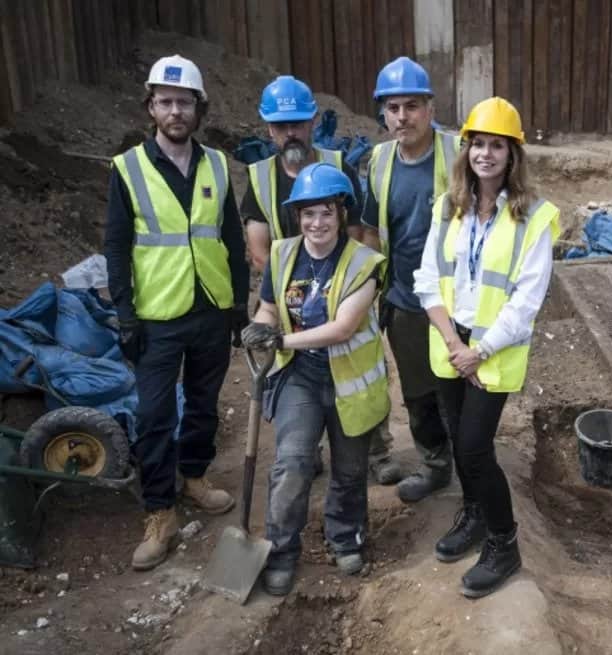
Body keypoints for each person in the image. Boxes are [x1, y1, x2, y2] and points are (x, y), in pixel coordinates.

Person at [104, 55, 250, 571]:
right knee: (154, 415)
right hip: (157, 314)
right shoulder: (128, 169)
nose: (174, 111)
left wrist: (237, 301)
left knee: (205, 402)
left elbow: (230, 236)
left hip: (210, 307)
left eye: (183, 102)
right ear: (151, 107)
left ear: (197, 108)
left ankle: (194, 475)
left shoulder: (215, 165)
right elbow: (116, 247)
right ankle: (160, 510)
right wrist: (125, 314)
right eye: (165, 102)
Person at [413, 97, 560, 598]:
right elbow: (427, 279)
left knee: (475, 447)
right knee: (458, 439)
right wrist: (456, 342)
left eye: (497, 145)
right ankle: (473, 513)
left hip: (493, 350)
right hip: (451, 341)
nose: (486, 154)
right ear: (466, 150)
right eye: (478, 143)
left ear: (513, 155)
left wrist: (480, 350)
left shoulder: (535, 218)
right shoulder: (447, 207)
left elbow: (527, 300)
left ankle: (504, 541)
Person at [240, 75, 400, 485]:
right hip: (289, 295)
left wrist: (350, 290)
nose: (290, 132)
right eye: (281, 125)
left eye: (298, 122)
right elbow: (258, 249)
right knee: (296, 375)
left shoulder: (336, 165)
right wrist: (282, 299)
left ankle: (377, 449)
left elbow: (360, 233)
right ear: (269, 129)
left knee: (361, 373)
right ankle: (306, 448)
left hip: (345, 289)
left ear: (313, 122)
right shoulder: (260, 178)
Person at [241, 163, 389, 596]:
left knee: (349, 469)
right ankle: (282, 551)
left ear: (341, 212)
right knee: (291, 464)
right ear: (296, 216)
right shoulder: (284, 254)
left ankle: (345, 536)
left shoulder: (365, 262)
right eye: (308, 213)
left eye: (326, 212)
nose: (317, 223)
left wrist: (281, 338)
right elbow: (269, 307)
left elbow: (343, 327)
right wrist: (260, 323)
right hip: (300, 379)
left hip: (350, 383)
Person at [361, 56, 460, 503]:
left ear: (430, 109)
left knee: (459, 387)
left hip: (457, 298)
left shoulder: (458, 154)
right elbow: (368, 232)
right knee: (418, 392)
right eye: (394, 107)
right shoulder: (379, 161)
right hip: (403, 297)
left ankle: (471, 461)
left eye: (412, 106)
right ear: (384, 114)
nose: (403, 116)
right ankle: (436, 464)